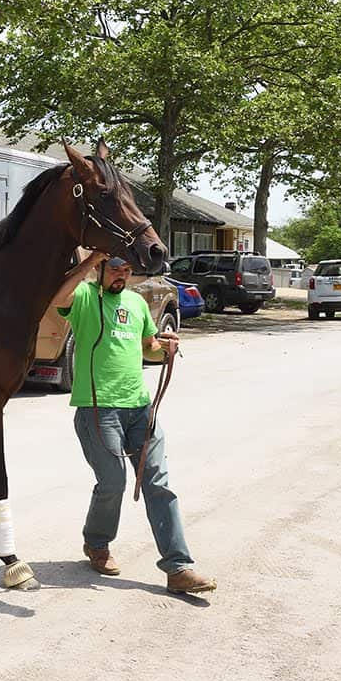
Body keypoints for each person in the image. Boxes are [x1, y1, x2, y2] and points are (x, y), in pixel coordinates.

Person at [54, 253, 216, 594]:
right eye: (115, 269)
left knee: (159, 482)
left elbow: (148, 347)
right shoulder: (84, 296)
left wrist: (165, 350)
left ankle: (178, 568)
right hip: (98, 409)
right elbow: (57, 298)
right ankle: (97, 543)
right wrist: (88, 262)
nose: (122, 276)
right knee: (113, 482)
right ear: (98, 269)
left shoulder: (136, 302)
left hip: (140, 407)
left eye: (127, 271)